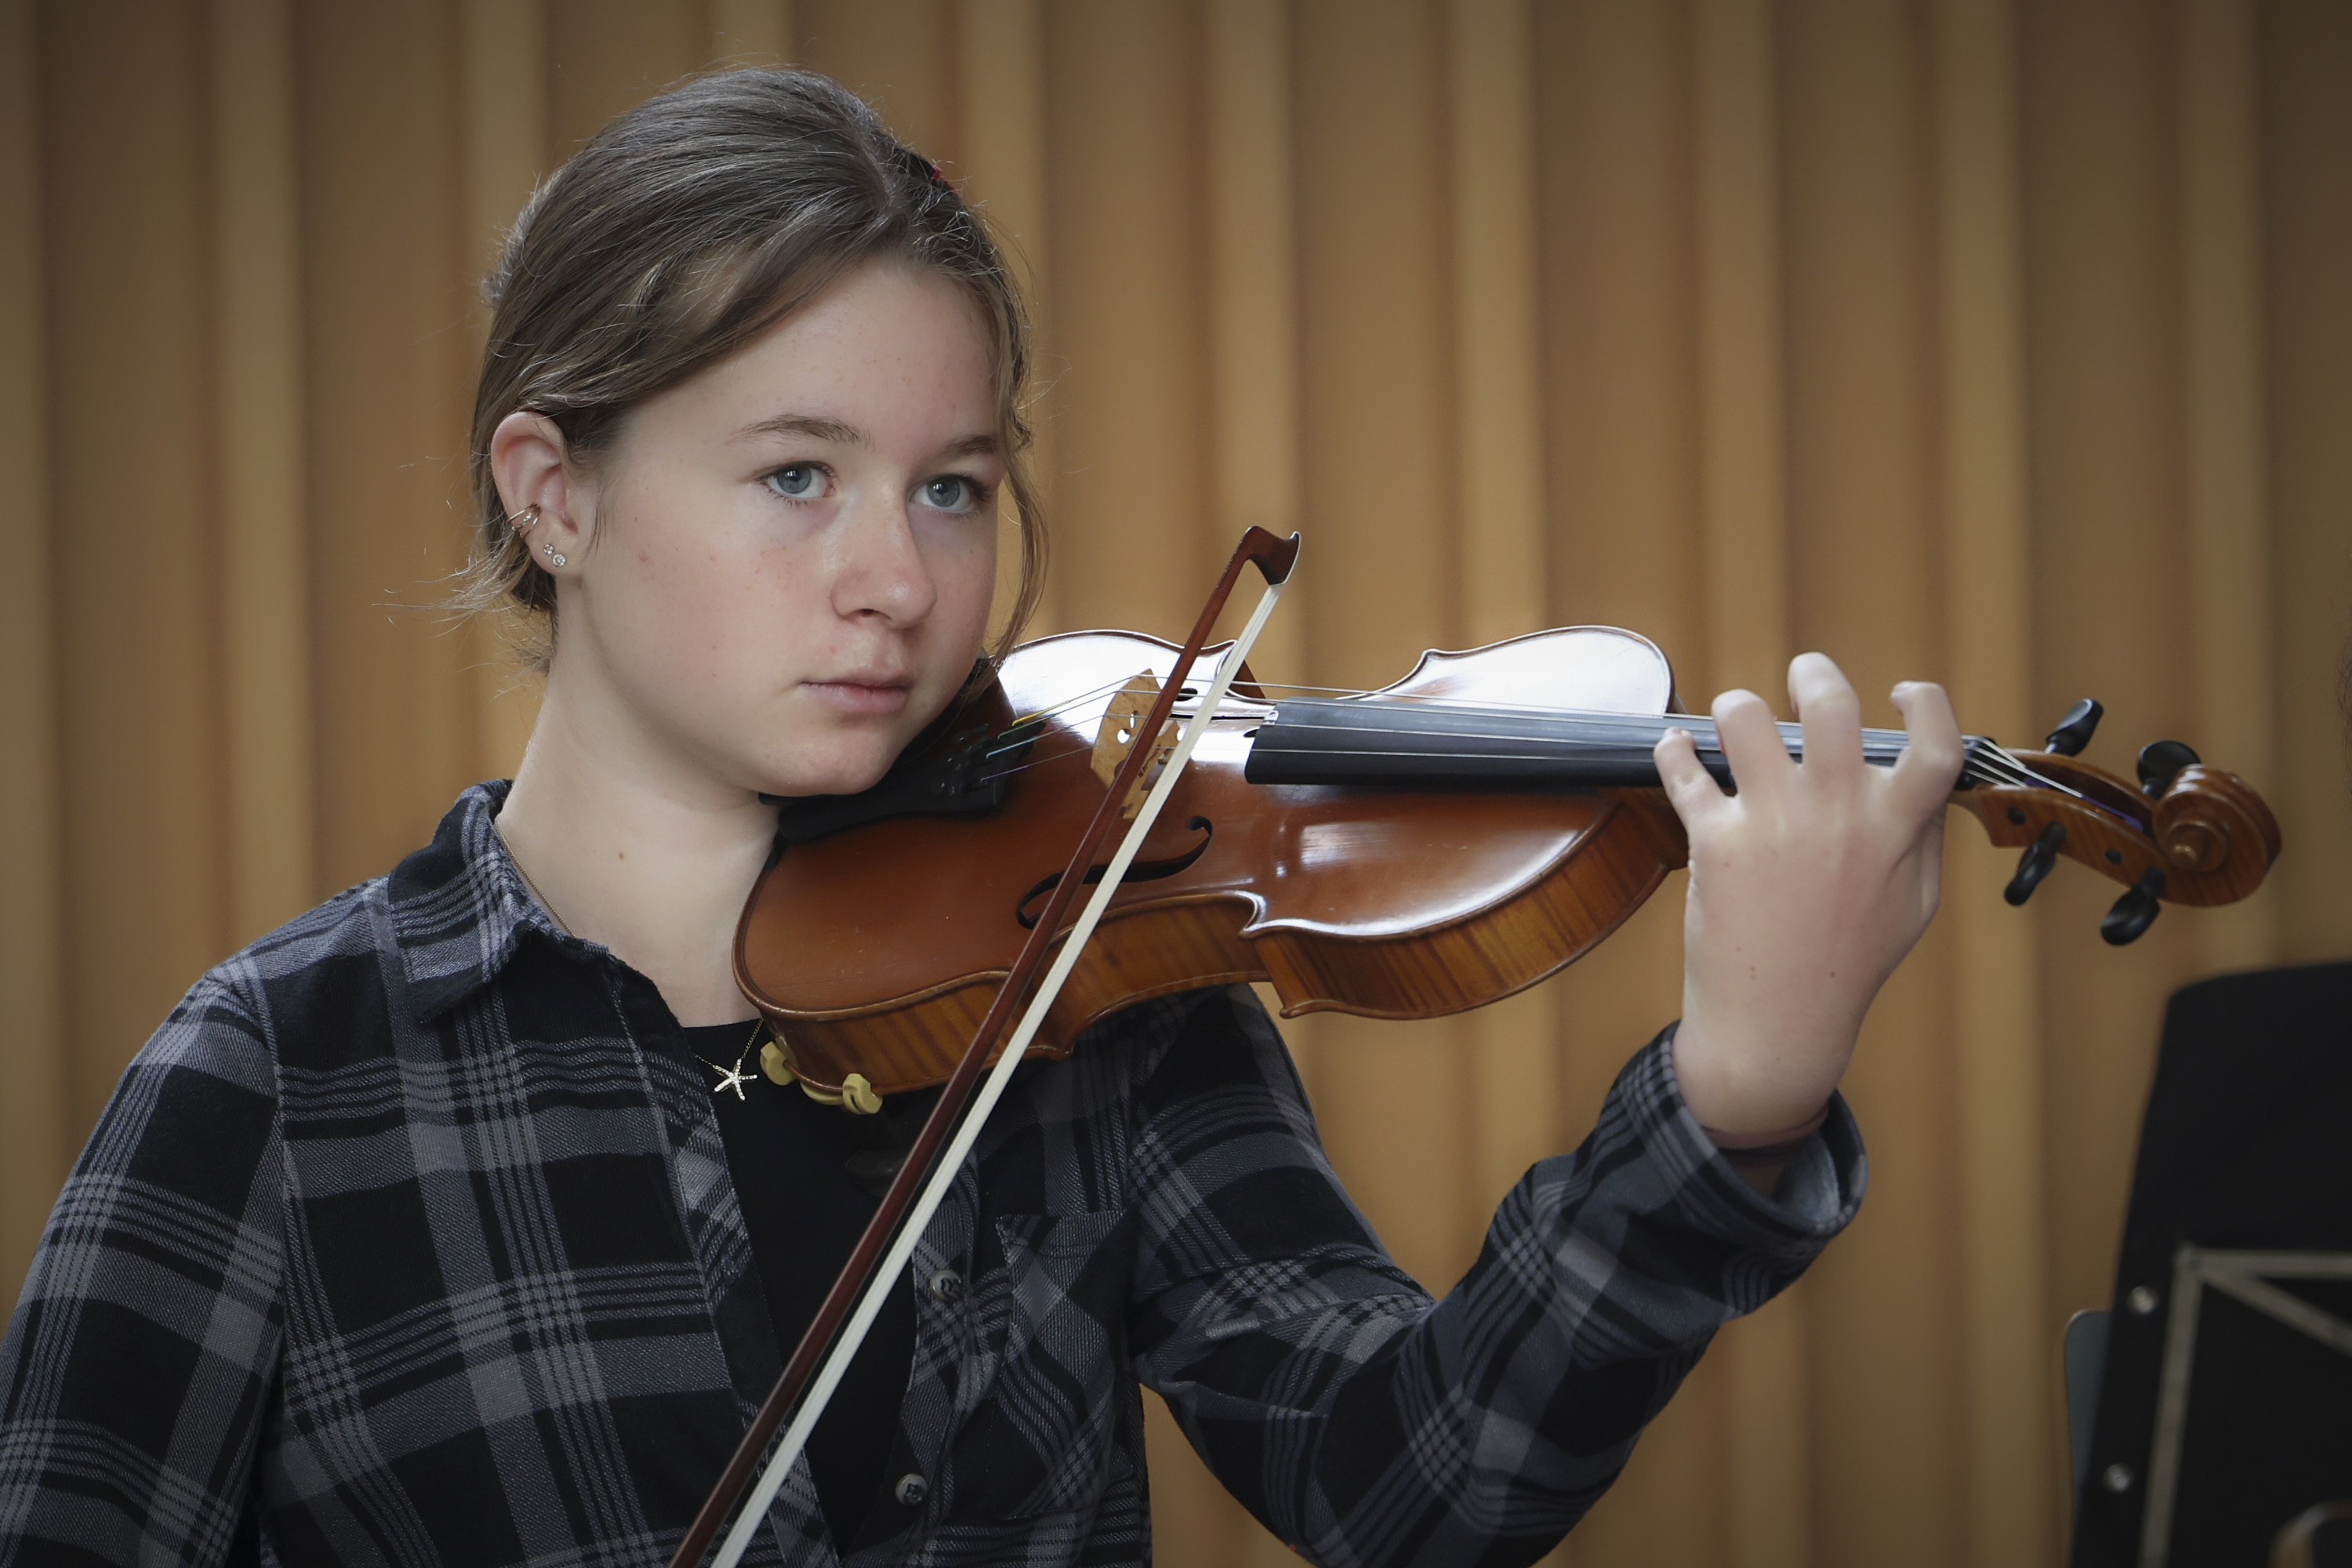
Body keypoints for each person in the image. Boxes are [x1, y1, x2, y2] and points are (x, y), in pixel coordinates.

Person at [0, 68, 1962, 1568]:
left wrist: (1732, 1106)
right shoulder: (283, 1075)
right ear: (554, 494)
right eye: (795, 475)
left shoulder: (1088, 983)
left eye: (950, 485)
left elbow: (1410, 1487)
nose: (897, 579)